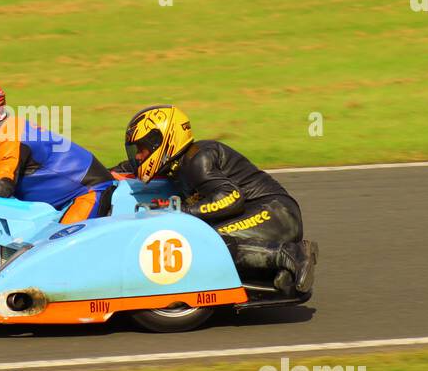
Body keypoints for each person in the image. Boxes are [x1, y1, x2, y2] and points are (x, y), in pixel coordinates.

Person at [112, 105, 317, 294]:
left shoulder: (198, 159)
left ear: (162, 141)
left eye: (142, 149)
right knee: (203, 241)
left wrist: (182, 211)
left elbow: (231, 198)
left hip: (275, 213)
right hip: (260, 213)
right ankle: (279, 274)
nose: (138, 157)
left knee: (206, 241)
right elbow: (123, 169)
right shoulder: (175, 164)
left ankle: (292, 255)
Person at [0, 79, 116, 223]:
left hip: (89, 192)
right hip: (61, 200)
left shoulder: (9, 135)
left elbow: (1, 186)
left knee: (55, 247)